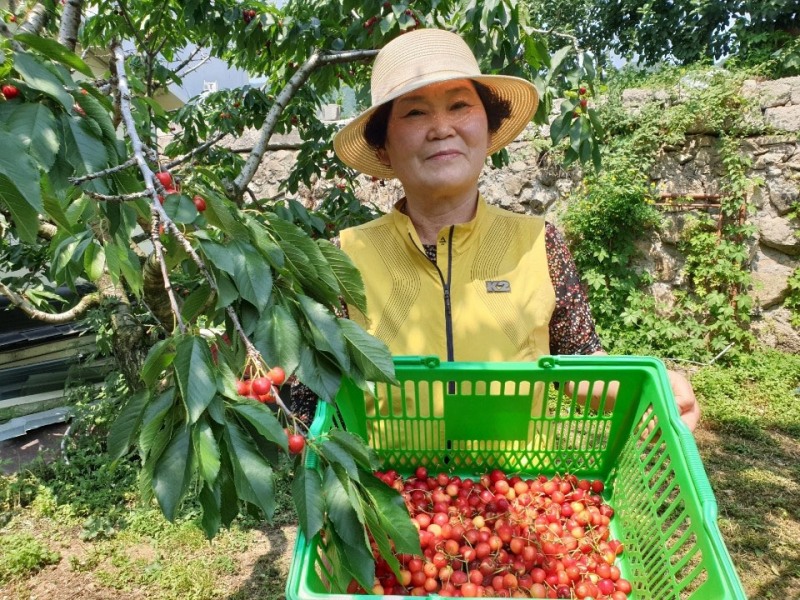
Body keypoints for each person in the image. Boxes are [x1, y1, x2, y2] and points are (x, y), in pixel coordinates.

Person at [332, 28, 700, 432]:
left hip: (516, 490)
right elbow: (315, 390)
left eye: (459, 106)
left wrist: (653, 389)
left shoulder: (538, 245)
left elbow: (579, 365)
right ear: (383, 144)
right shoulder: (346, 258)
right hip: (393, 488)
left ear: (488, 130)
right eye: (415, 112)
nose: (441, 128)